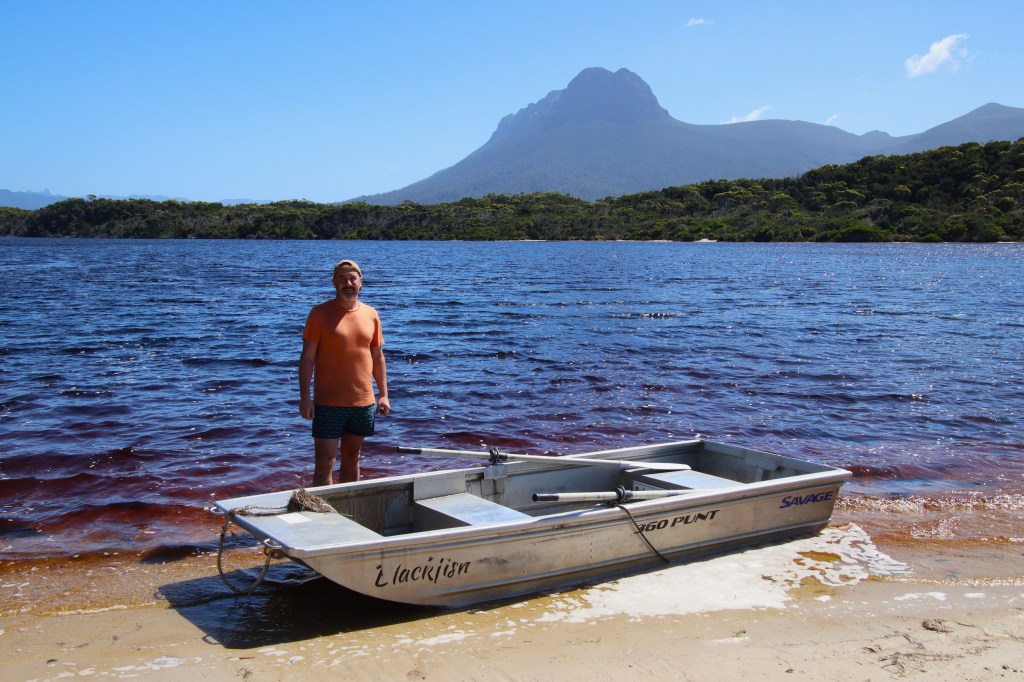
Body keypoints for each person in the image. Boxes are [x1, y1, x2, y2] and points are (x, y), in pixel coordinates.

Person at [299, 259, 390, 485]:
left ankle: (349, 504)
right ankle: (323, 507)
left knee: (352, 458)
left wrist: (384, 394)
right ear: (334, 282)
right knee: (325, 462)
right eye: (342, 278)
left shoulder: (371, 314)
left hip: (362, 403)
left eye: (352, 278)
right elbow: (307, 359)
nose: (347, 283)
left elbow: (377, 357)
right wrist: (305, 398)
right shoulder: (319, 313)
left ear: (361, 282)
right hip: (328, 403)